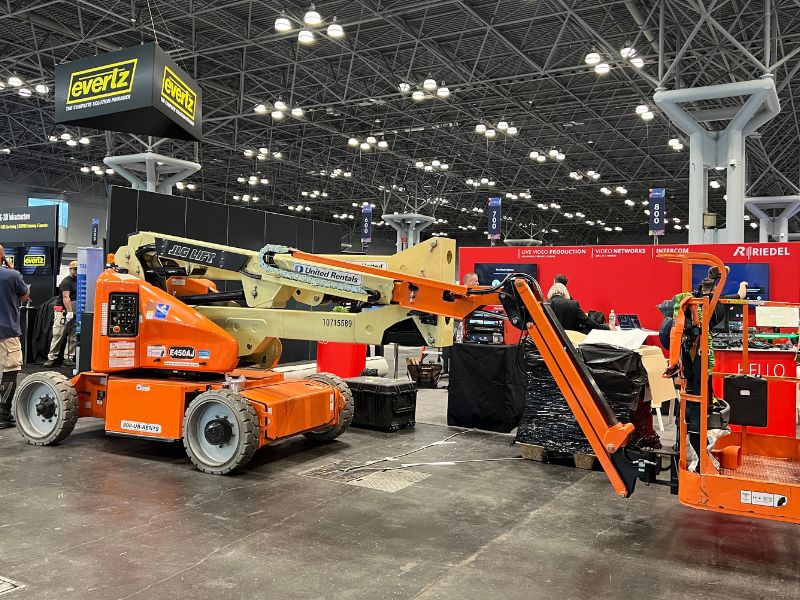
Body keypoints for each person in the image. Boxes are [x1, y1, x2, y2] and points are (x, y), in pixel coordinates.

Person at [0, 245, 30, 429]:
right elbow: (25, 296)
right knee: (10, 370)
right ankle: (3, 413)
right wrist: (12, 269)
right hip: (6, 332)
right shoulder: (12, 275)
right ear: (2, 257)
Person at [44, 260, 78, 367]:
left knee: (73, 336)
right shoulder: (66, 282)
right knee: (58, 334)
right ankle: (51, 358)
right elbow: (65, 297)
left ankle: (68, 358)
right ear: (70, 269)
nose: (76, 271)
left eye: (78, 269)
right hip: (62, 312)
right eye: (74, 269)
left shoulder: (79, 281)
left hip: (74, 311)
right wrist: (69, 312)